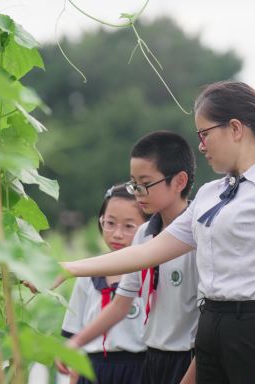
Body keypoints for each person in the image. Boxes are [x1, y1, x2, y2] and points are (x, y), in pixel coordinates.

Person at [60, 81, 255, 384]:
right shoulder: (212, 194)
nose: (200, 145)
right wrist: (69, 269)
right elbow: (146, 252)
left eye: (204, 134)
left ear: (235, 129)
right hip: (211, 325)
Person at [59, 131, 199, 384]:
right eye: (133, 183)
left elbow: (209, 323)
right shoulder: (145, 233)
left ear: (179, 181)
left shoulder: (199, 235)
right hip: (152, 360)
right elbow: (121, 304)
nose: (137, 192)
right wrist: (76, 342)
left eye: (145, 183)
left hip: (187, 360)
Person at [60, 183, 150, 384]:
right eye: (110, 223)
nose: (117, 234)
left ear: (146, 228)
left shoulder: (149, 275)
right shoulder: (87, 274)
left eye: (129, 226)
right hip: (92, 369)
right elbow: (74, 332)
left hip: (136, 369)